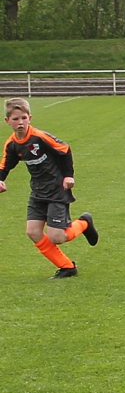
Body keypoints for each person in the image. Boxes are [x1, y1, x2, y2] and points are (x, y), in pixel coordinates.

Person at [0, 98, 99, 279]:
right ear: (7, 121)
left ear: (30, 118)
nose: (20, 122)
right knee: (32, 232)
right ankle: (67, 267)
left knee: (57, 237)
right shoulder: (12, 144)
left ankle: (84, 223)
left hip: (56, 189)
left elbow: (65, 149)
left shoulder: (40, 137)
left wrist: (68, 175)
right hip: (37, 191)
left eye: (23, 118)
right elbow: (6, 164)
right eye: (15, 119)